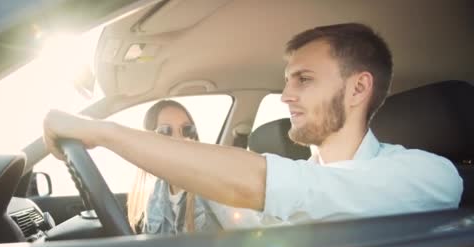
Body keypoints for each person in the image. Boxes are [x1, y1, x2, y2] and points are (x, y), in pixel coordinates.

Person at [43, 23, 463, 226]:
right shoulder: (284, 187)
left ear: (358, 89)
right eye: (287, 81)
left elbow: (283, 188)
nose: (285, 96)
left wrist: (102, 131)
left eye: (305, 79)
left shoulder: (429, 176)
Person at [128, 100, 220, 234]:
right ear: (148, 142)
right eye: (165, 131)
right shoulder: (155, 193)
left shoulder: (213, 190)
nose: (179, 139)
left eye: (187, 129)